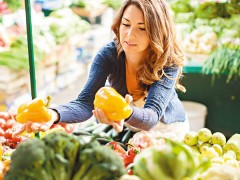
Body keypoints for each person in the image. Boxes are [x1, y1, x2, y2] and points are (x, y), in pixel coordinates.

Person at [13, 0, 189, 141]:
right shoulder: (109, 55)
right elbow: (85, 103)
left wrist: (123, 112)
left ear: (157, 32)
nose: (129, 35)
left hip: (167, 129)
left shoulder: (167, 62)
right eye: (126, 24)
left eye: (142, 28)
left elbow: (152, 117)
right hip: (132, 129)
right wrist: (53, 114)